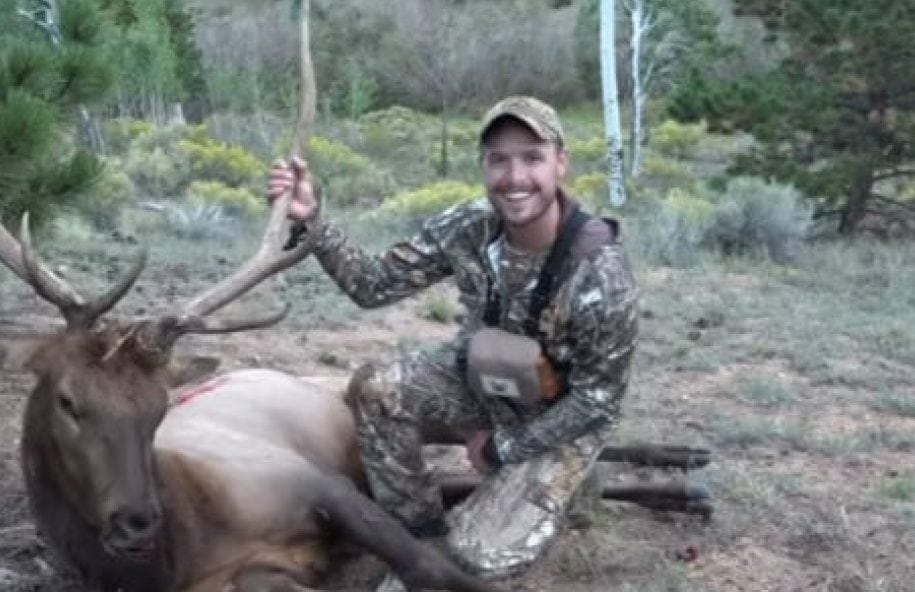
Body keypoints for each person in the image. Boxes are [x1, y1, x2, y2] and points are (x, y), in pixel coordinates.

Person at [265, 96, 639, 584]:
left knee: (480, 557)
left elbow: (598, 401)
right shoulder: (468, 226)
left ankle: (526, 505)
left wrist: (502, 451)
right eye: (499, 159)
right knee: (380, 387)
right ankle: (416, 534)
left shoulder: (600, 270)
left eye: (532, 157)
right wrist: (310, 220)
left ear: (561, 163)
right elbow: (372, 284)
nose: (515, 176)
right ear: (484, 166)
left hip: (560, 415)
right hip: (485, 380)